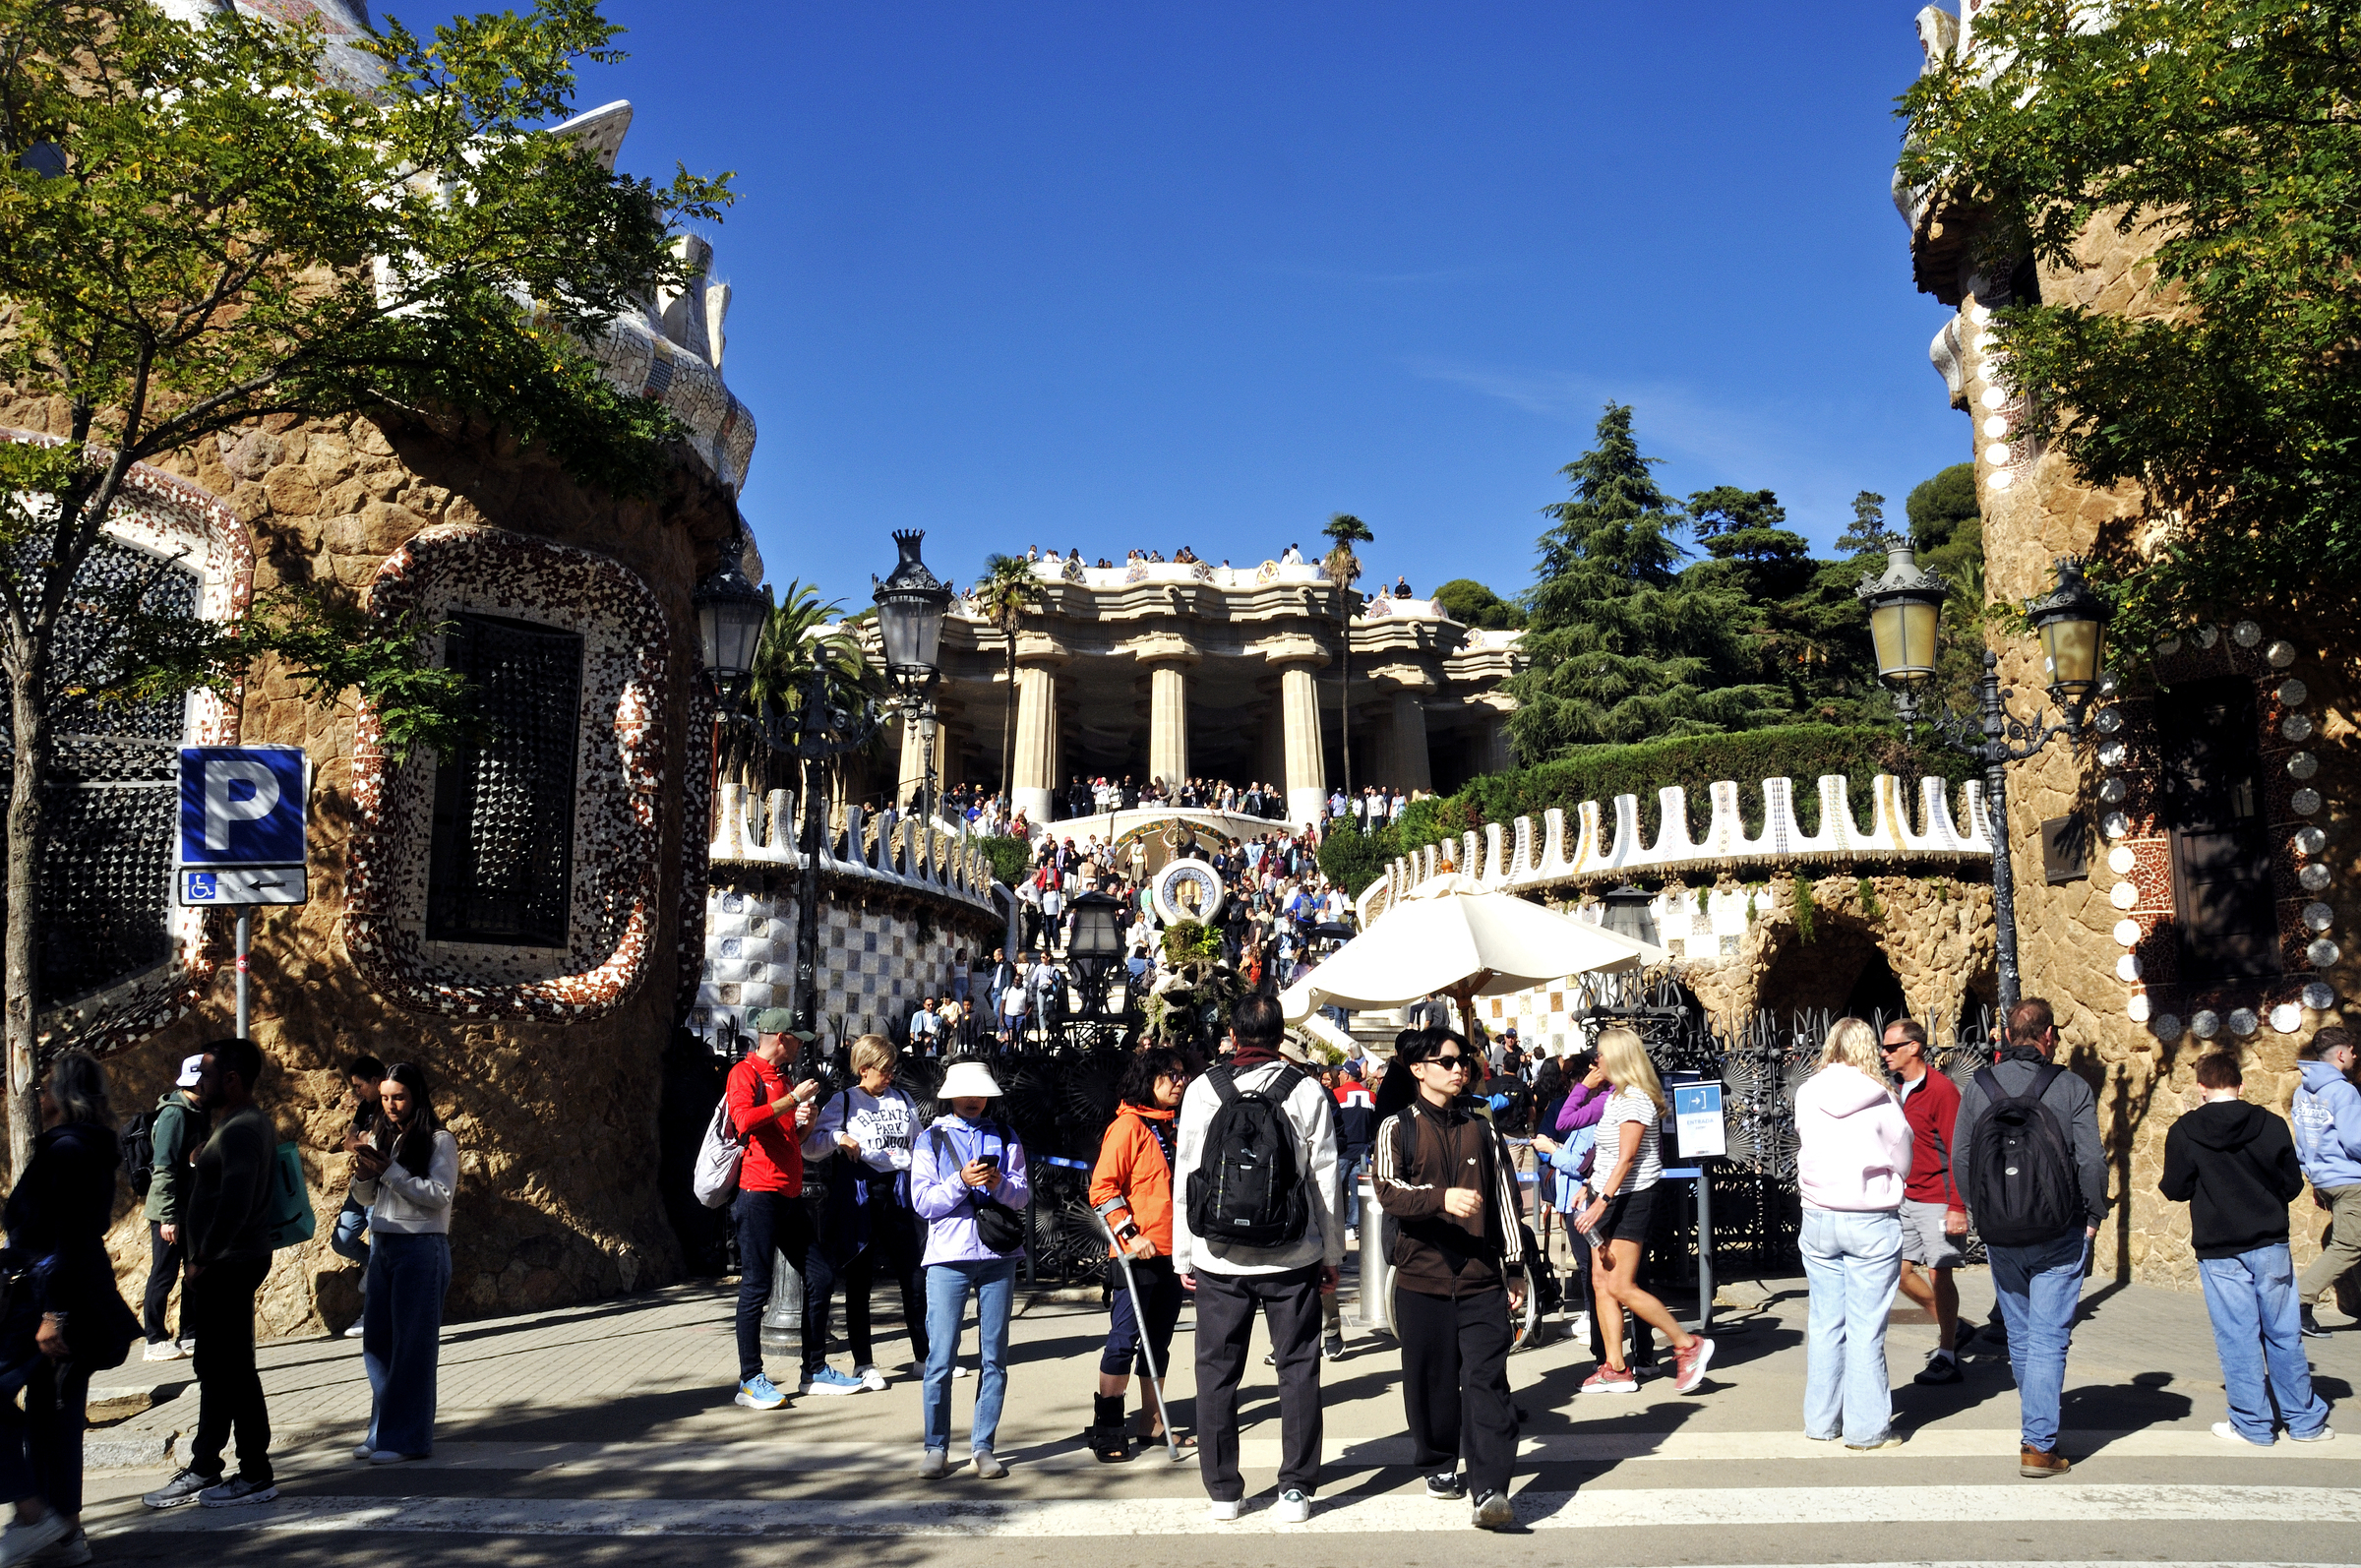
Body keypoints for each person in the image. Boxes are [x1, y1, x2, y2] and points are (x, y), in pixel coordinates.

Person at [1172, 993, 1343, 1525]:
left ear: (1234, 1033)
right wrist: (1332, 1252)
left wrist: (1185, 1251)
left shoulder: (1204, 1089)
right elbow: (1324, 1179)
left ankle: (1224, 1490)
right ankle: (1295, 1488)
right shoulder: (1306, 1089)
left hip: (1218, 1257)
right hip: (1292, 1255)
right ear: (1279, 1034)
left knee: (1216, 1373)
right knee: (1297, 1368)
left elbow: (1186, 1175)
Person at [1373, 1030, 1526, 1531]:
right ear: (1418, 1069)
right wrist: (1441, 1198)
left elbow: (1504, 1198)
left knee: (1486, 1383)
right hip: (1421, 1279)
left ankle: (1490, 1488)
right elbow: (1388, 1190)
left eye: (1464, 1062)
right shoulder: (1396, 1128)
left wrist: (1517, 1267)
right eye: (1446, 1061)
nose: (1459, 1070)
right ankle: (1439, 1463)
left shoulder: (1482, 1128)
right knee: (1432, 1385)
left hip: (1481, 1278)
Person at [1948, 997, 2106, 1478]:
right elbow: (2092, 1161)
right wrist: (2094, 1212)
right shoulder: (2071, 1086)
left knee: (2020, 1332)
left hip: (2001, 1232)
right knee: (2050, 1335)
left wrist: (1982, 1209)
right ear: (2049, 1035)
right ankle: (2038, 1443)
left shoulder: (1979, 1086)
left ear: (2006, 1035)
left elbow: (1960, 1157)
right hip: (2059, 1227)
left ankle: (2035, 1421)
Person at [0, 1051, 142, 1565]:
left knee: (50, 1412)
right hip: (65, 1296)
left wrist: (52, 1314)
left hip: (51, 1301)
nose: (37, 1096)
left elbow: (68, 1235)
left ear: (64, 1094)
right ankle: (66, 1532)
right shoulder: (86, 1148)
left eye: (44, 1088)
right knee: (53, 1414)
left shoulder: (67, 1151)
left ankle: (43, 1519)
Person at [2160, 1052, 2333, 1446]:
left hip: (2219, 1245)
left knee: (2237, 1336)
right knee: (2284, 1332)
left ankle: (2252, 1424)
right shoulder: (2270, 1124)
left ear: (2201, 1087)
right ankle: (2304, 1421)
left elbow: (2175, 1188)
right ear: (2240, 1084)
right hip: (2269, 1240)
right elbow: (2291, 1184)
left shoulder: (2186, 1130)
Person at [142, 1038, 279, 1510]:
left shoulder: (242, 1128)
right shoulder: (239, 1124)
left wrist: (204, 1258)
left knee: (233, 1369)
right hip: (228, 1262)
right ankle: (205, 1465)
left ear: (232, 1079)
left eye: (206, 1075)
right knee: (216, 1369)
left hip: (229, 1263)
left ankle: (256, 1472)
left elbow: (236, 1202)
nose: (200, 1084)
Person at [1795, 1017, 1911, 1449]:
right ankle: (1866, 1429)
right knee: (1866, 1327)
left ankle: (1821, 1421)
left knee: (1826, 1323)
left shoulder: (1807, 1093)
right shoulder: (1883, 1099)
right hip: (1869, 1218)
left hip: (1819, 1215)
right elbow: (1903, 1157)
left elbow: (1803, 1138)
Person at [912, 1059, 1031, 1479]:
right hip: (948, 1258)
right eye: (967, 1093)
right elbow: (923, 1203)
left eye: (980, 1093)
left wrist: (998, 1182)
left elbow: (1021, 1196)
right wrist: (962, 1180)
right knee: (940, 1357)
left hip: (999, 1257)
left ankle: (984, 1446)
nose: (974, 1100)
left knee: (994, 1357)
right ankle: (935, 1447)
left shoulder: (1004, 1135)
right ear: (951, 1095)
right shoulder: (930, 1139)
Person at [1577, 1027, 1713, 1395]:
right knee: (1600, 1282)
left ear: (1617, 1057)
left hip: (1631, 1197)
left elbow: (1628, 1157)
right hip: (1607, 1195)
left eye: (1600, 1054)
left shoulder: (1635, 1098)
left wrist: (1601, 1201)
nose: (1595, 1060)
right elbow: (1606, 1155)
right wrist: (1588, 1190)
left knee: (1620, 1284)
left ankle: (1687, 1345)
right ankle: (1615, 1367)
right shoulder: (1616, 1098)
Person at [799, 1036, 927, 1394]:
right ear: (864, 1068)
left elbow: (919, 1146)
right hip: (861, 1191)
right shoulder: (843, 1101)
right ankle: (864, 1362)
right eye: (883, 1070)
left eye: (892, 1069)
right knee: (859, 1281)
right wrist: (839, 1137)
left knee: (913, 1276)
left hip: (899, 1189)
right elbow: (810, 1147)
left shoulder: (903, 1100)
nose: (889, 1076)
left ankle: (923, 1355)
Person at [1085, 1047, 1192, 1462]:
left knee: (1159, 1341)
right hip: (1136, 1253)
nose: (1179, 1082)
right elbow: (1103, 1188)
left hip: (1172, 1250)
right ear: (1149, 1079)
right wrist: (1130, 1235)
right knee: (1125, 1340)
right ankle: (1109, 1425)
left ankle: (1152, 1421)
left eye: (1182, 1074)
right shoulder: (1127, 1126)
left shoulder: (1173, 1127)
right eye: (1170, 1074)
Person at [349, 1061, 458, 1463]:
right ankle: (381, 1431)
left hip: (421, 1248)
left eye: (399, 1098)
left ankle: (408, 1439)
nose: (391, 1106)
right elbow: (365, 1199)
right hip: (384, 1246)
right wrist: (365, 1173)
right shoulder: (386, 1137)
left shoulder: (438, 1140)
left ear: (416, 1097)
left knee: (413, 1348)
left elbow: (438, 1195)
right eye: (385, 1098)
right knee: (378, 1345)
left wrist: (390, 1172)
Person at [724, 1010, 823, 1412]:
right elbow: (744, 1120)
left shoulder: (781, 1079)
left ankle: (814, 1370)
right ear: (780, 1037)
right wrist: (793, 1099)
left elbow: (790, 1141)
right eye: (796, 1038)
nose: (801, 1045)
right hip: (758, 1191)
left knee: (821, 1274)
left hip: (786, 1194)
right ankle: (750, 1379)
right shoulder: (744, 1071)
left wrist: (807, 1123)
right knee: (756, 1286)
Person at [1881, 1019, 1975, 1382]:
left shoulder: (1941, 1090)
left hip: (1938, 1198)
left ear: (1914, 1047)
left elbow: (1957, 1150)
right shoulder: (1895, 1089)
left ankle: (1948, 1354)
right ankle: (1953, 1325)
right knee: (1897, 1271)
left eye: (1891, 1048)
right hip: (1904, 1195)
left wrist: (1957, 1206)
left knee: (1940, 1271)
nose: (1884, 1054)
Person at [2291, 1027, 2361, 1335]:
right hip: (2350, 1180)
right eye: (2354, 1051)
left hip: (2325, 1179)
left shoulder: (2301, 1091)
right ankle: (2300, 1301)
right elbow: (2355, 1141)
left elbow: (2302, 1142)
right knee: (2349, 1245)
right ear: (2343, 1053)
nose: (2356, 1057)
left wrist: (2313, 1175)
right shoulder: (2344, 1091)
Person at [140, 1054, 209, 1361]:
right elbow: (164, 1167)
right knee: (164, 1274)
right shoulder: (175, 1115)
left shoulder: (198, 1111)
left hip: (190, 1208)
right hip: (169, 1211)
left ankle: (189, 1333)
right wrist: (168, 1217)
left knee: (195, 1271)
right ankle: (154, 1339)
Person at [329, 1054, 386, 1339]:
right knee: (343, 1239)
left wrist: (365, 1140)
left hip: (381, 1186)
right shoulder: (365, 1107)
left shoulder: (390, 1105)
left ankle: (372, 1316)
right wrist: (360, 1140)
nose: (356, 1092)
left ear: (376, 1081)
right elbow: (349, 1141)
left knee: (378, 1244)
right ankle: (375, 1266)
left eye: (360, 1085)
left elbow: (376, 1144)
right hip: (360, 1182)